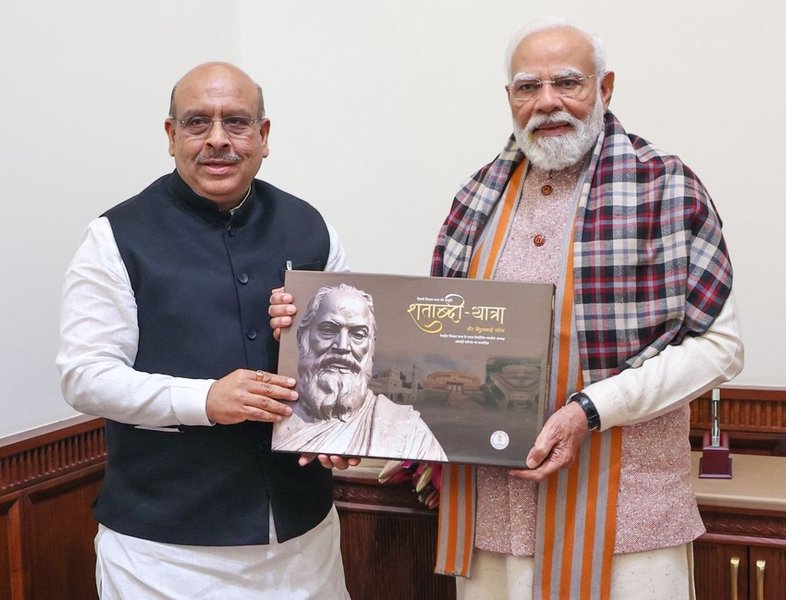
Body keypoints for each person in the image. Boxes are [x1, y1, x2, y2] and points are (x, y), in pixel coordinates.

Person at [427, 17, 744, 600]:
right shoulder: (476, 198)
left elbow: (722, 349)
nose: (547, 102)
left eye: (567, 83)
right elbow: (442, 336)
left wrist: (590, 409)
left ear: (605, 88)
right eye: (528, 87)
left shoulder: (666, 188)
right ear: (510, 99)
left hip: (628, 515)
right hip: (496, 510)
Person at [57, 62, 357, 599]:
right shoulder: (115, 237)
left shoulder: (312, 229)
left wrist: (343, 427)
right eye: (198, 123)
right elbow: (84, 377)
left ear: (264, 137)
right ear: (171, 136)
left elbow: (343, 365)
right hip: (163, 555)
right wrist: (205, 400)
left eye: (236, 122)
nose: (217, 139)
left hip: (301, 545)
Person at [272, 283, 447, 461]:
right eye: (328, 330)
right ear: (304, 339)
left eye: (358, 334)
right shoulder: (276, 414)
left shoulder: (407, 430)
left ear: (370, 347)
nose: (342, 346)